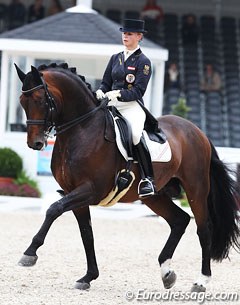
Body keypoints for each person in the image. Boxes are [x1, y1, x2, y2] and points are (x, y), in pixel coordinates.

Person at [95, 19, 156, 198]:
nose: (125, 36)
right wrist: (101, 91)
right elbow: (106, 82)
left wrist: (119, 94)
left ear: (139, 36)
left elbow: (138, 91)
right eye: (124, 33)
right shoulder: (115, 57)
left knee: (135, 135)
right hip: (111, 104)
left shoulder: (143, 62)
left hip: (131, 106)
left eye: (129, 34)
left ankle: (148, 179)